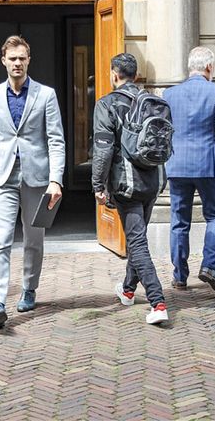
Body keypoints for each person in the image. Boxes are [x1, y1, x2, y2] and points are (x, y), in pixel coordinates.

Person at [0, 35, 65, 328]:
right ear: (3, 61)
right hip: (2, 178)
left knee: (33, 241)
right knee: (1, 240)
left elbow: (56, 140)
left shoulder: (45, 94)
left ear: (28, 60)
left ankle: (29, 288)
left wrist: (56, 180)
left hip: (37, 178)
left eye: (22, 58)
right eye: (12, 58)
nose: (17, 63)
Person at [91, 52, 169, 325]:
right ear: (135, 75)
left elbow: (102, 148)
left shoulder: (107, 104)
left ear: (114, 74)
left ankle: (158, 302)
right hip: (154, 180)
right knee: (138, 237)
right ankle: (127, 290)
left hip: (128, 184)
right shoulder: (155, 102)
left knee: (136, 242)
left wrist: (98, 185)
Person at [164, 46, 215, 295]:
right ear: (209, 67)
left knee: (179, 221)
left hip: (178, 165)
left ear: (190, 67)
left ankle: (179, 277)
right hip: (209, 164)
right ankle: (209, 267)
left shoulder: (170, 94)